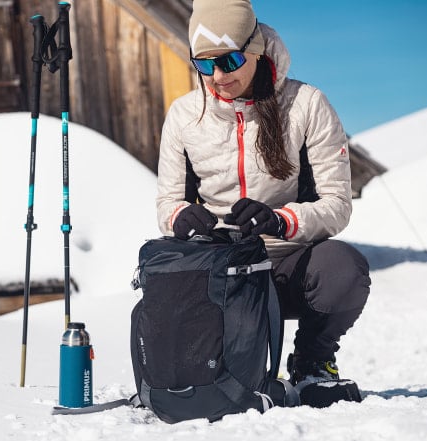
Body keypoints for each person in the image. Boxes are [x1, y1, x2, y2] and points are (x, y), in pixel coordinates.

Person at [156, 0, 371, 406]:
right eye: (205, 65)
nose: (218, 76)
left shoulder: (306, 105)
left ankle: (311, 363)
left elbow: (337, 204)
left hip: (287, 265)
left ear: (256, 49)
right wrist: (182, 216)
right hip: (220, 271)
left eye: (230, 60)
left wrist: (280, 220)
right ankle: (205, 370)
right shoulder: (184, 116)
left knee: (343, 269)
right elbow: (168, 201)